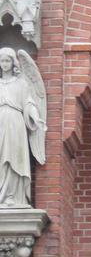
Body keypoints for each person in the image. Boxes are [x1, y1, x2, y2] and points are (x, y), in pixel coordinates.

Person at [0, 47, 46, 209]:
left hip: (16, 122)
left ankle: (13, 196)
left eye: (7, 60)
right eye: (2, 61)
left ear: (13, 63)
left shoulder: (21, 83)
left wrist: (35, 117)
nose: (4, 64)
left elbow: (28, 103)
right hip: (0, 122)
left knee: (13, 156)